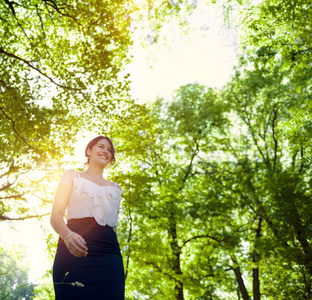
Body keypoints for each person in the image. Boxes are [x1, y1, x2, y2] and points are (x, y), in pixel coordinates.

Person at [50, 136, 125, 299]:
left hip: (109, 257)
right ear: (89, 151)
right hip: (73, 252)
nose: (106, 151)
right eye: (101, 146)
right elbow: (55, 216)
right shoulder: (71, 176)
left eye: (110, 150)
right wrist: (68, 236)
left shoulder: (116, 188)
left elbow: (113, 227)